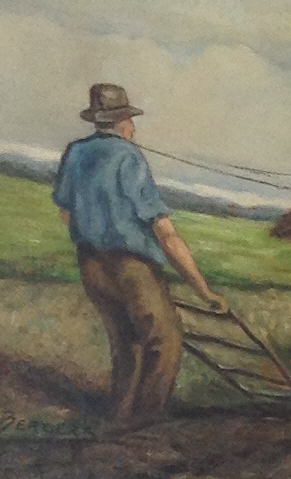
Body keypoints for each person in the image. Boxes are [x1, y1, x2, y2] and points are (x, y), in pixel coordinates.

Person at [51, 83, 219, 426]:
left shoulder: (75, 152)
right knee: (165, 339)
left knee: (126, 343)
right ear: (122, 121)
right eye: (130, 120)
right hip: (131, 266)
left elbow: (66, 213)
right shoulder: (130, 157)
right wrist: (203, 290)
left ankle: (119, 417)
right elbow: (165, 231)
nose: (133, 128)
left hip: (90, 262)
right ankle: (147, 421)